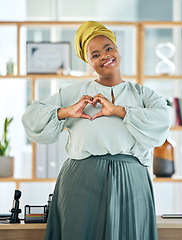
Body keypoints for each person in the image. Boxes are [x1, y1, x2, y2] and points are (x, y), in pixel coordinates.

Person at [22, 21, 171, 240]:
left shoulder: (144, 95)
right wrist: (65, 112)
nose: (104, 56)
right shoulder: (74, 93)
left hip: (132, 182)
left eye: (108, 48)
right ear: (90, 63)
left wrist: (120, 111)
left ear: (119, 51)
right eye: (95, 54)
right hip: (80, 181)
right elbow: (31, 117)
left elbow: (163, 122)